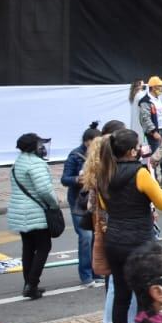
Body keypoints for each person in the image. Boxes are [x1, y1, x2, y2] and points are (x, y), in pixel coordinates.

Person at [82, 128, 162, 323]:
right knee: (144, 295)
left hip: (114, 239)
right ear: (131, 151)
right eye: (137, 146)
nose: (140, 149)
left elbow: (103, 205)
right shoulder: (140, 173)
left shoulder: (104, 173)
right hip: (140, 240)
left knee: (121, 294)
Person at [8, 132, 63, 301]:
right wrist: (54, 204)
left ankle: (29, 284)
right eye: (40, 145)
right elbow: (44, 190)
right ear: (34, 147)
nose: (43, 148)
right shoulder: (36, 164)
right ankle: (32, 284)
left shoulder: (18, 162)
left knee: (28, 248)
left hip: (19, 211)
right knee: (43, 247)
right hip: (35, 212)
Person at [61, 122, 103, 287]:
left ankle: (97, 271)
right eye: (95, 142)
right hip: (79, 201)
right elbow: (65, 179)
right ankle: (85, 275)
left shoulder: (100, 155)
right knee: (86, 237)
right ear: (87, 141)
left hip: (96, 200)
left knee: (96, 236)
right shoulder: (75, 156)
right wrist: (79, 179)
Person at [137, 76, 162, 183]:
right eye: (160, 86)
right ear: (153, 87)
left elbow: (158, 113)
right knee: (154, 156)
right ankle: (153, 179)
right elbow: (145, 118)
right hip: (155, 132)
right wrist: (153, 132)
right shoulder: (145, 101)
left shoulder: (158, 99)